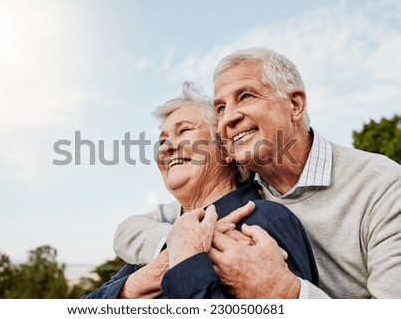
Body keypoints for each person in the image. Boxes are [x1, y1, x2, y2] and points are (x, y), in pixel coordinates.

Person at [114, 48, 401, 299]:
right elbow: (131, 229)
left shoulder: (384, 186)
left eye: (246, 96)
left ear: (295, 104)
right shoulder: (243, 188)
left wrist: (286, 293)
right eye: (221, 107)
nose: (229, 117)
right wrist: (178, 244)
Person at [83, 82, 318, 298]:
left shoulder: (264, 222)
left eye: (184, 131)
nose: (166, 147)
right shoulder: (165, 243)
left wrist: (188, 261)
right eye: (162, 139)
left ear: (227, 150)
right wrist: (149, 277)